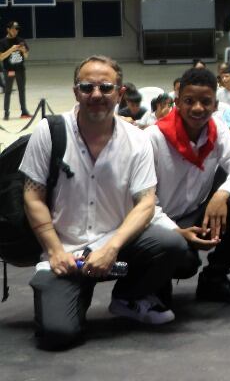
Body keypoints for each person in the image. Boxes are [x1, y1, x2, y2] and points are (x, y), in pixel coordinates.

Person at [21, 56, 187, 350]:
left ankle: (128, 297)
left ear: (120, 93)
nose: (96, 94)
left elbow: (146, 203)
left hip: (116, 244)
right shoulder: (49, 132)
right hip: (67, 255)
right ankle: (72, 296)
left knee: (172, 245)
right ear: (76, 92)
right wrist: (55, 251)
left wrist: (111, 248)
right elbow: (33, 196)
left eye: (105, 87)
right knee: (59, 335)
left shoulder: (137, 140)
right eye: (87, 87)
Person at [147, 68, 230, 304]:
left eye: (205, 102)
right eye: (189, 101)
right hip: (156, 220)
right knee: (184, 262)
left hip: (196, 213)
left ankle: (215, 279)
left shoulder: (216, 129)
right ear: (176, 102)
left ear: (215, 104)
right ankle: (156, 278)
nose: (198, 108)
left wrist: (222, 194)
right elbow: (141, 201)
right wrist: (174, 231)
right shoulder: (152, 138)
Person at [1, 20, 31, 119]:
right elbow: (1, 57)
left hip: (20, 70)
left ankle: (24, 111)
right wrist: (11, 50)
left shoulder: (21, 40)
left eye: (17, 29)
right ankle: (6, 113)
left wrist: (23, 50)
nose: (15, 31)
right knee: (8, 91)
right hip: (9, 70)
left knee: (22, 90)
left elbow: (26, 56)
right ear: (8, 29)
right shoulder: (2, 42)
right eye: (13, 29)